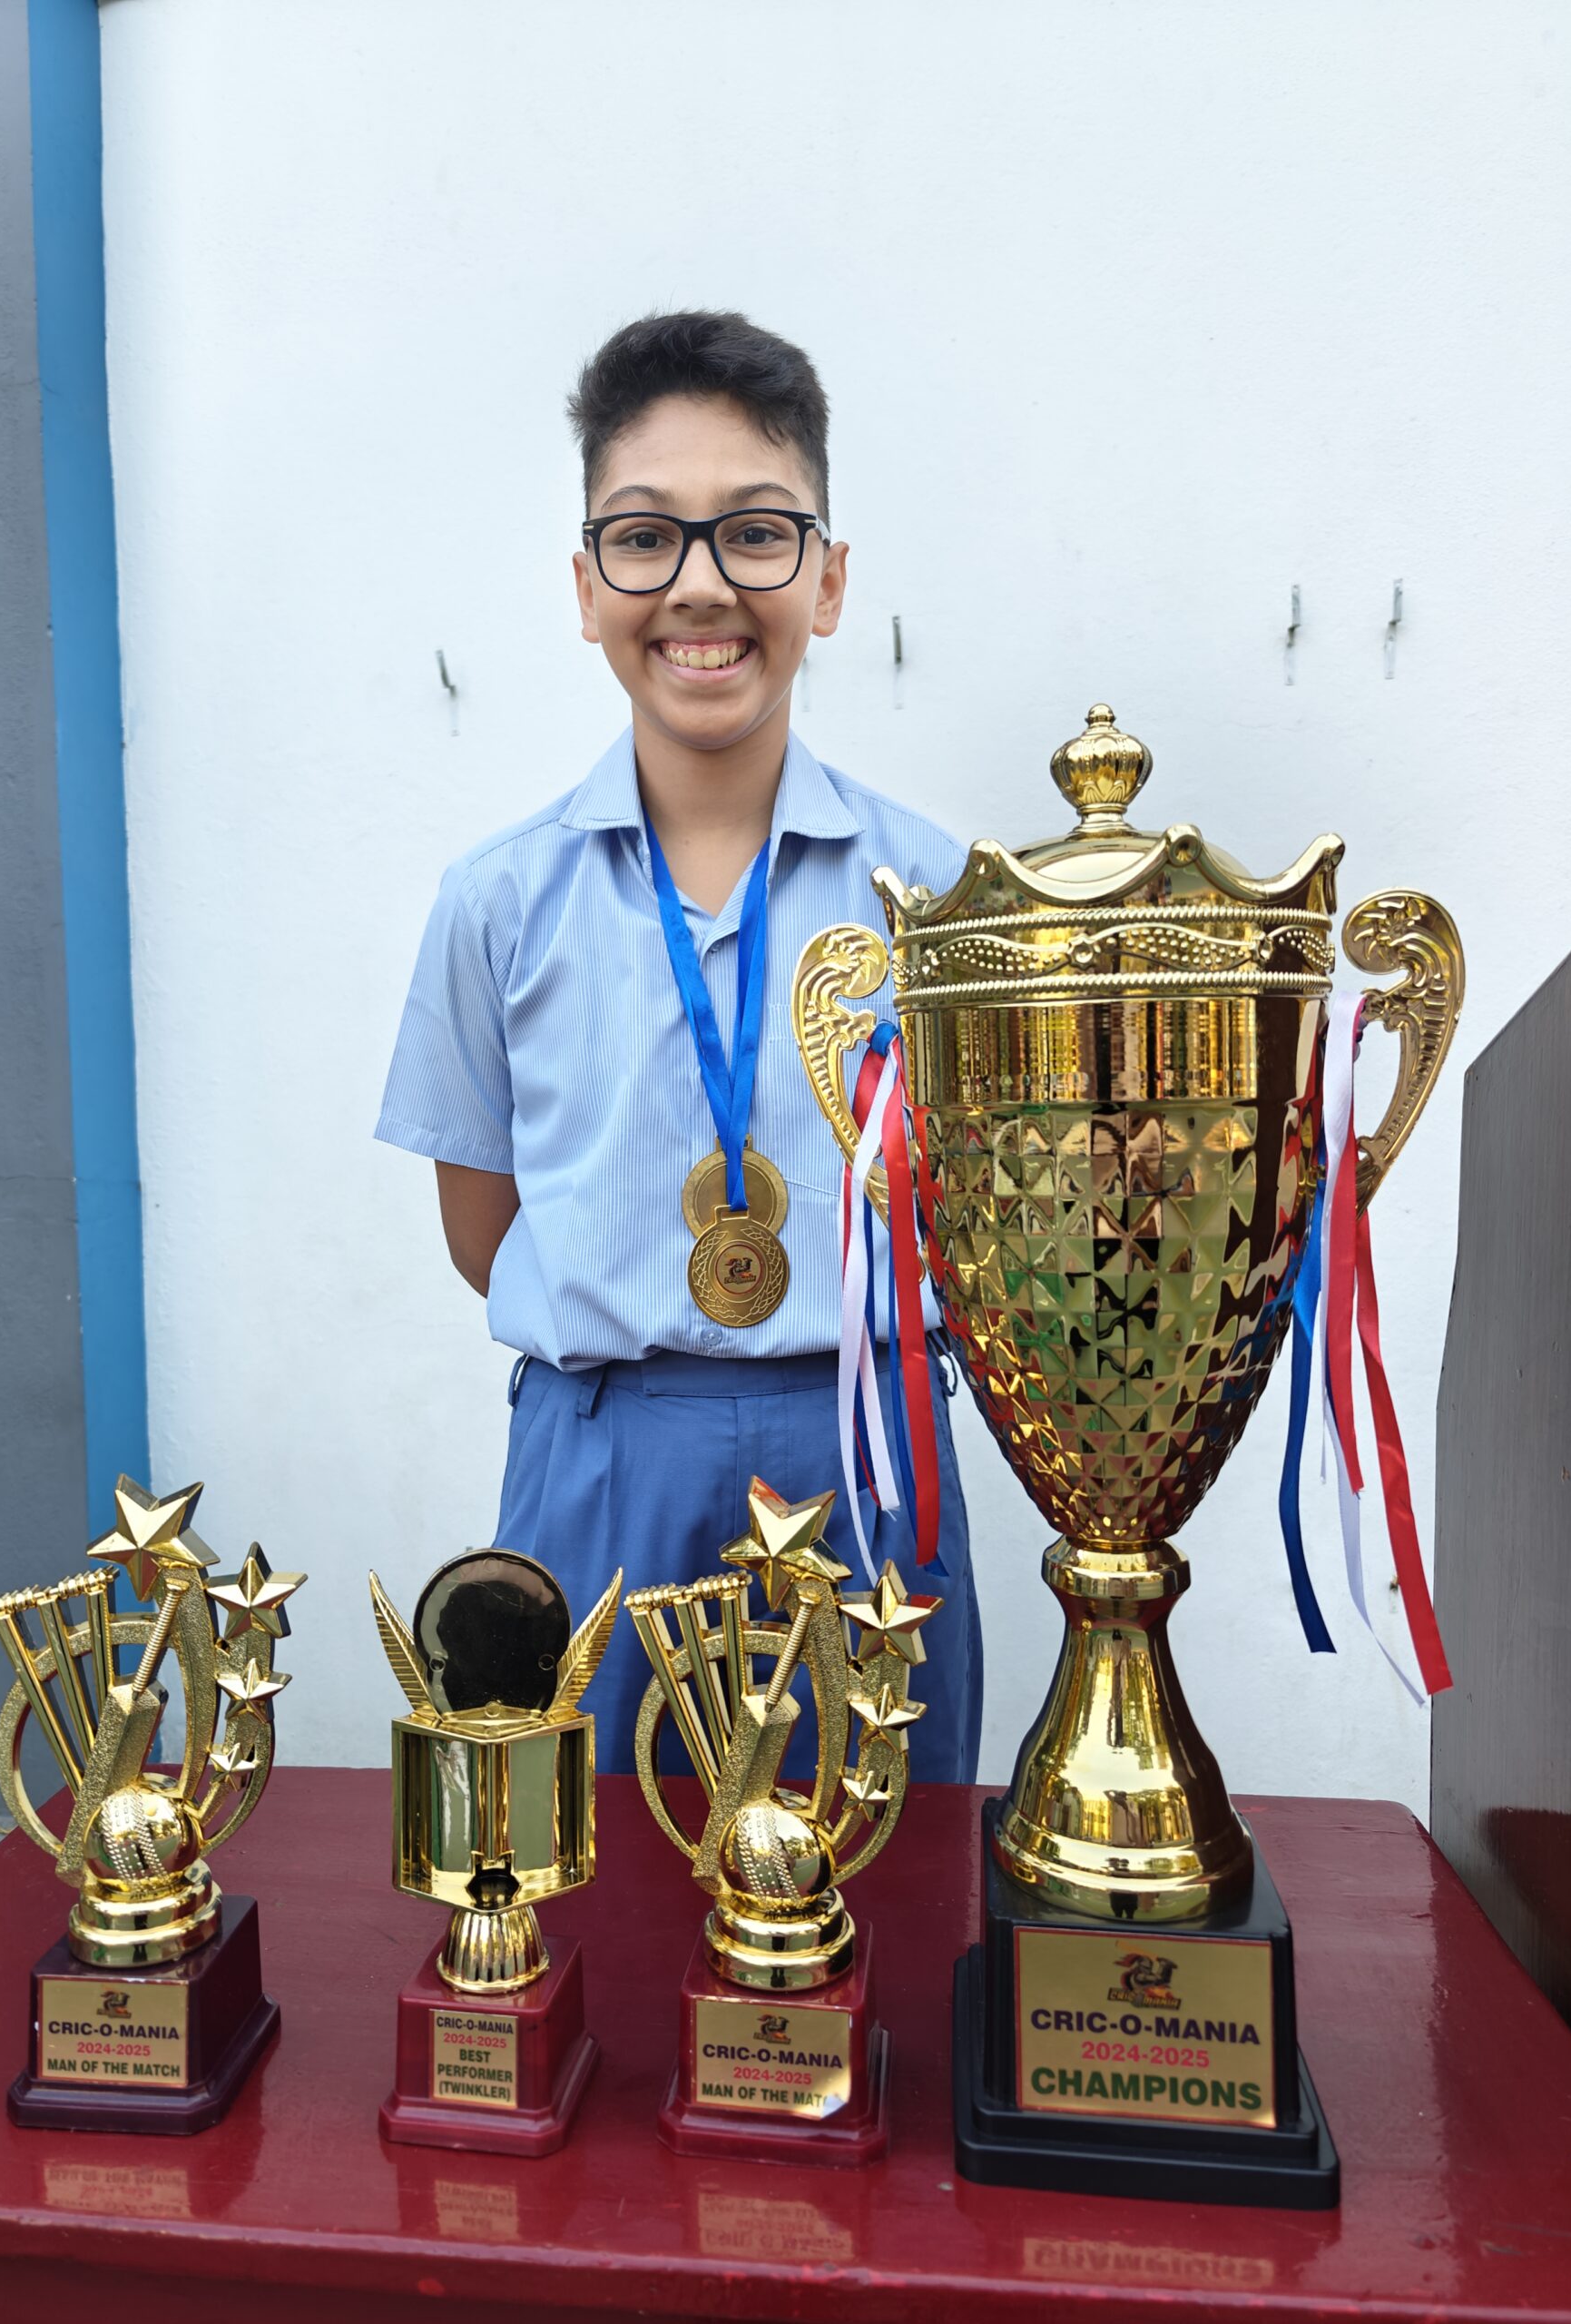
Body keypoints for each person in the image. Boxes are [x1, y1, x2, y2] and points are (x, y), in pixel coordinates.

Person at [377, 310, 980, 1781]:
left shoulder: (946, 906)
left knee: (880, 1891)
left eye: (757, 535)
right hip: (596, 1457)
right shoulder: (498, 905)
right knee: (585, 1890)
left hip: (865, 1445)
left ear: (829, 582)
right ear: (587, 588)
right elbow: (485, 1230)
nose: (702, 585)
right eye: (646, 539)